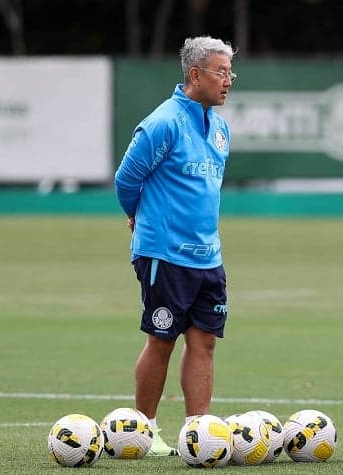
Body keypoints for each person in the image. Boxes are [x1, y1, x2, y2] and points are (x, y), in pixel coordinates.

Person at [114, 36, 237, 456]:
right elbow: (126, 179)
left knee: (204, 341)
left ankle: (197, 433)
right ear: (194, 74)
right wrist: (136, 217)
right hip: (164, 254)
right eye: (221, 72)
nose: (228, 81)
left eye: (230, 73)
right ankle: (142, 432)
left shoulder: (219, 128)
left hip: (209, 255)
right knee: (161, 339)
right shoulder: (163, 122)